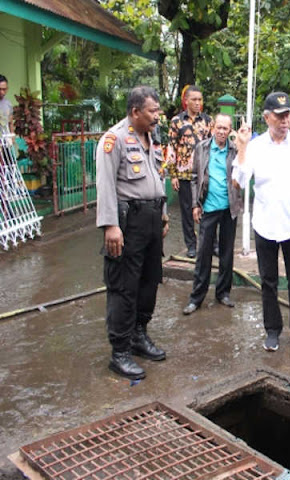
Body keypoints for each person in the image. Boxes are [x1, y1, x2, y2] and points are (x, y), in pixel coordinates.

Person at [234, 92, 290, 352]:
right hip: (265, 224)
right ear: (267, 117)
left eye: (288, 115)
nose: (285, 120)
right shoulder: (256, 147)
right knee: (268, 281)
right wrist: (242, 147)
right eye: (280, 116)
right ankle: (272, 330)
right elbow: (239, 179)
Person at [96, 86, 169, 380]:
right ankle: (120, 352)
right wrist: (110, 226)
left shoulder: (152, 137)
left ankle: (139, 336)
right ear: (135, 111)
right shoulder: (114, 140)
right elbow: (105, 185)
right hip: (127, 222)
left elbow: (157, 176)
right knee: (124, 287)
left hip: (151, 219)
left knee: (149, 281)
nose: (157, 116)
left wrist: (162, 214)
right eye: (152, 111)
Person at [182, 114, 242, 315]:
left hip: (229, 208)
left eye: (226, 128)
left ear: (230, 130)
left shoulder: (235, 150)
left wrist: (244, 144)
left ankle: (223, 293)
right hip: (208, 207)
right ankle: (196, 297)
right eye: (219, 127)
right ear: (212, 127)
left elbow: (242, 173)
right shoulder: (202, 148)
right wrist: (195, 204)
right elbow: (194, 178)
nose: (222, 131)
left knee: (226, 253)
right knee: (203, 254)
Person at [168, 85, 214, 257]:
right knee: (187, 211)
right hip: (184, 174)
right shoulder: (177, 122)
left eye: (199, 99)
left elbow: (213, 146)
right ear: (186, 100)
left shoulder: (208, 121)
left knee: (208, 208)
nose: (197, 103)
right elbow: (172, 148)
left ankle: (210, 243)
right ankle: (191, 245)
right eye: (193, 99)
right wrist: (173, 175)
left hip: (204, 174)